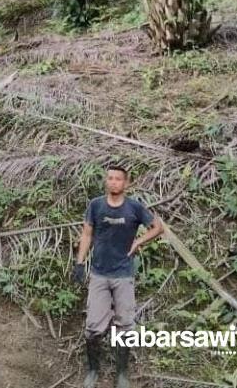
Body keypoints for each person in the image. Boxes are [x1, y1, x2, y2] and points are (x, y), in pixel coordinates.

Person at [71, 165, 164, 388]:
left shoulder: (134, 207)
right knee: (93, 327)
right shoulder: (96, 205)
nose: (113, 182)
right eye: (110, 178)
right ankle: (93, 371)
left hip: (124, 275)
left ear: (126, 183)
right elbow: (86, 234)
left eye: (118, 179)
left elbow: (158, 227)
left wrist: (139, 241)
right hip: (99, 275)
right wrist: (79, 263)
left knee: (125, 324)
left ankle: (122, 373)